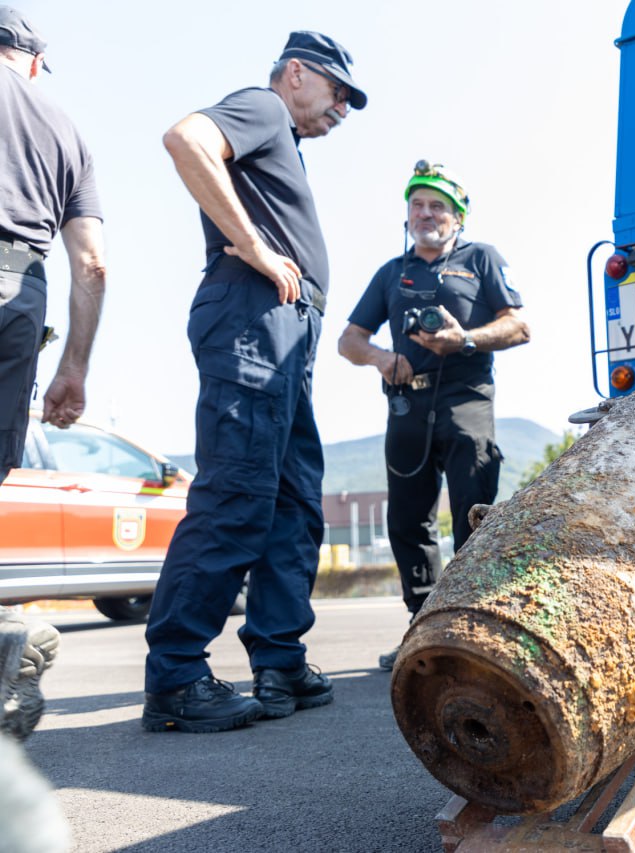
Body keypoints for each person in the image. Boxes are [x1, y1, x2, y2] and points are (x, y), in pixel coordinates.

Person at [142, 31, 367, 734]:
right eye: (336, 92)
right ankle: (176, 676)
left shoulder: (282, 140)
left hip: (286, 333)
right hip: (252, 317)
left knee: (295, 502)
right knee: (238, 493)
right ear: (295, 73)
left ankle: (279, 658)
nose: (342, 110)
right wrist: (257, 246)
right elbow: (185, 139)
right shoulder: (264, 109)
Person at [338, 162, 530, 670]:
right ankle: (422, 627)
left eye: (437, 206)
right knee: (407, 519)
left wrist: (463, 338)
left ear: (457, 216)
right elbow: (348, 339)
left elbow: (519, 326)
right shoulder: (390, 272)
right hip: (408, 402)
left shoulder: (481, 259)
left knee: (474, 510)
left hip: (466, 398)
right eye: (417, 205)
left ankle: (470, 624)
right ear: (407, 214)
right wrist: (383, 359)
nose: (426, 214)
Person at [0, 5, 106, 484]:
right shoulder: (69, 134)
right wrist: (73, 368)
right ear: (35, 63)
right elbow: (91, 265)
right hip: (22, 299)